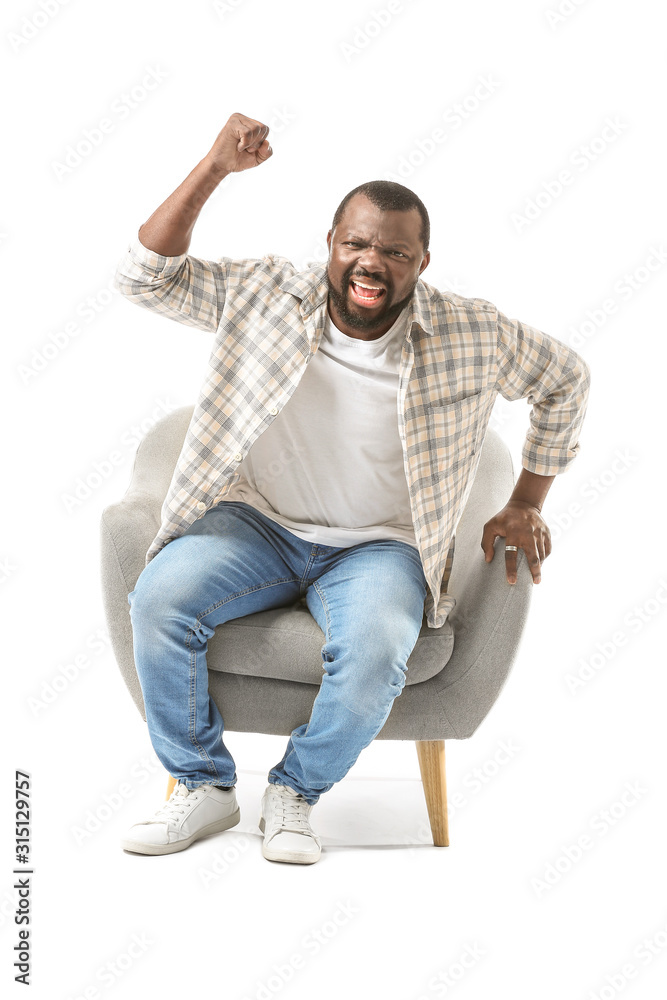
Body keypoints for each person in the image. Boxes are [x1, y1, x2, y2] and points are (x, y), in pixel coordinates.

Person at [114, 112, 590, 865]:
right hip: (258, 524)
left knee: (373, 653)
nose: (373, 263)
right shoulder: (266, 294)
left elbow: (564, 380)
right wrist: (213, 167)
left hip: (382, 547)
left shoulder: (472, 333)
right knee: (159, 599)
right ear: (331, 246)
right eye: (357, 244)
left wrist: (527, 498)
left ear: (421, 262)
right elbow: (146, 275)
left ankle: (296, 793)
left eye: (394, 252)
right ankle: (201, 785)